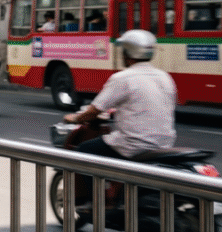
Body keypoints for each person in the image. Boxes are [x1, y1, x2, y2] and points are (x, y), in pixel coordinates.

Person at [63, 29, 175, 202]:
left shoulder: (123, 77)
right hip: (165, 144)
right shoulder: (165, 77)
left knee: (85, 150)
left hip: (134, 144)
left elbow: (95, 110)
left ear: (127, 53)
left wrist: (75, 118)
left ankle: (97, 204)